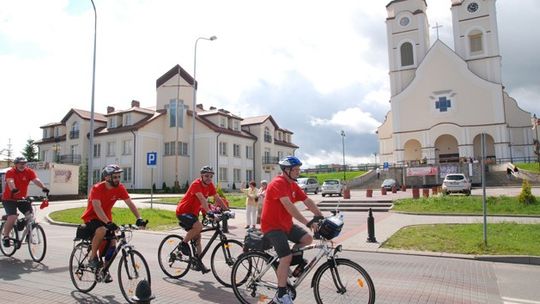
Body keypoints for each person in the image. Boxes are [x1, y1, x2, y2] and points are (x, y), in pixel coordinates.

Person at [260, 156, 324, 304]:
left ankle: (286, 265)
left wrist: (321, 217)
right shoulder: (277, 183)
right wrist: (308, 223)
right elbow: (289, 206)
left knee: (307, 239)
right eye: (295, 169)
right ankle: (281, 294)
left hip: (286, 225)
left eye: (298, 169)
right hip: (272, 227)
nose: (298, 172)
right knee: (286, 257)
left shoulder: (293, 185)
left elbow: (307, 201)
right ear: (286, 170)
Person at [81, 164, 147, 279]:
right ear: (107, 178)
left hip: (106, 219)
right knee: (101, 230)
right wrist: (108, 223)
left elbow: (130, 203)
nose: (117, 179)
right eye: (114, 177)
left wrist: (139, 218)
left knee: (112, 242)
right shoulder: (97, 188)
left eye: (118, 177)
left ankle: (104, 270)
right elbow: (97, 207)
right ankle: (92, 258)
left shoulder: (120, 188)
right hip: (92, 217)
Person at [175, 166, 228, 273]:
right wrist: (209, 212)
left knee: (198, 237)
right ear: (202, 176)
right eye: (206, 176)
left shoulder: (210, 186)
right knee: (198, 226)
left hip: (193, 214)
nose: (209, 178)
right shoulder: (196, 184)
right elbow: (202, 199)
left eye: (211, 176)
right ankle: (183, 243)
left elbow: (217, 198)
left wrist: (227, 210)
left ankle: (198, 263)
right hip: (183, 212)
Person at [2, 157, 49, 247]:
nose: (22, 165)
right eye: (20, 163)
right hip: (9, 199)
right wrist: (13, 189)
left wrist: (43, 187)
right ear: (16, 164)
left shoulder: (29, 171)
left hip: (22, 198)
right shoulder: (10, 172)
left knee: (30, 216)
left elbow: (36, 180)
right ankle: (6, 236)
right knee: (12, 217)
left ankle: (28, 234)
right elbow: (10, 181)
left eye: (24, 163)